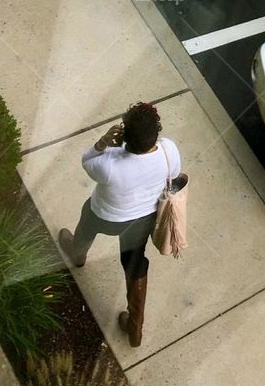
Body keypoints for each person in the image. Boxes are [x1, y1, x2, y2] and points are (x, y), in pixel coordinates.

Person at [58, 102, 181, 348]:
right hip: (141, 220)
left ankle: (78, 253)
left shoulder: (109, 163)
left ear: (124, 134)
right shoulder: (169, 152)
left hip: (105, 215)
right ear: (155, 134)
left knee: (86, 223)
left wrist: (103, 142)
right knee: (134, 262)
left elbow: (86, 160)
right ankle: (135, 327)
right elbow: (174, 175)